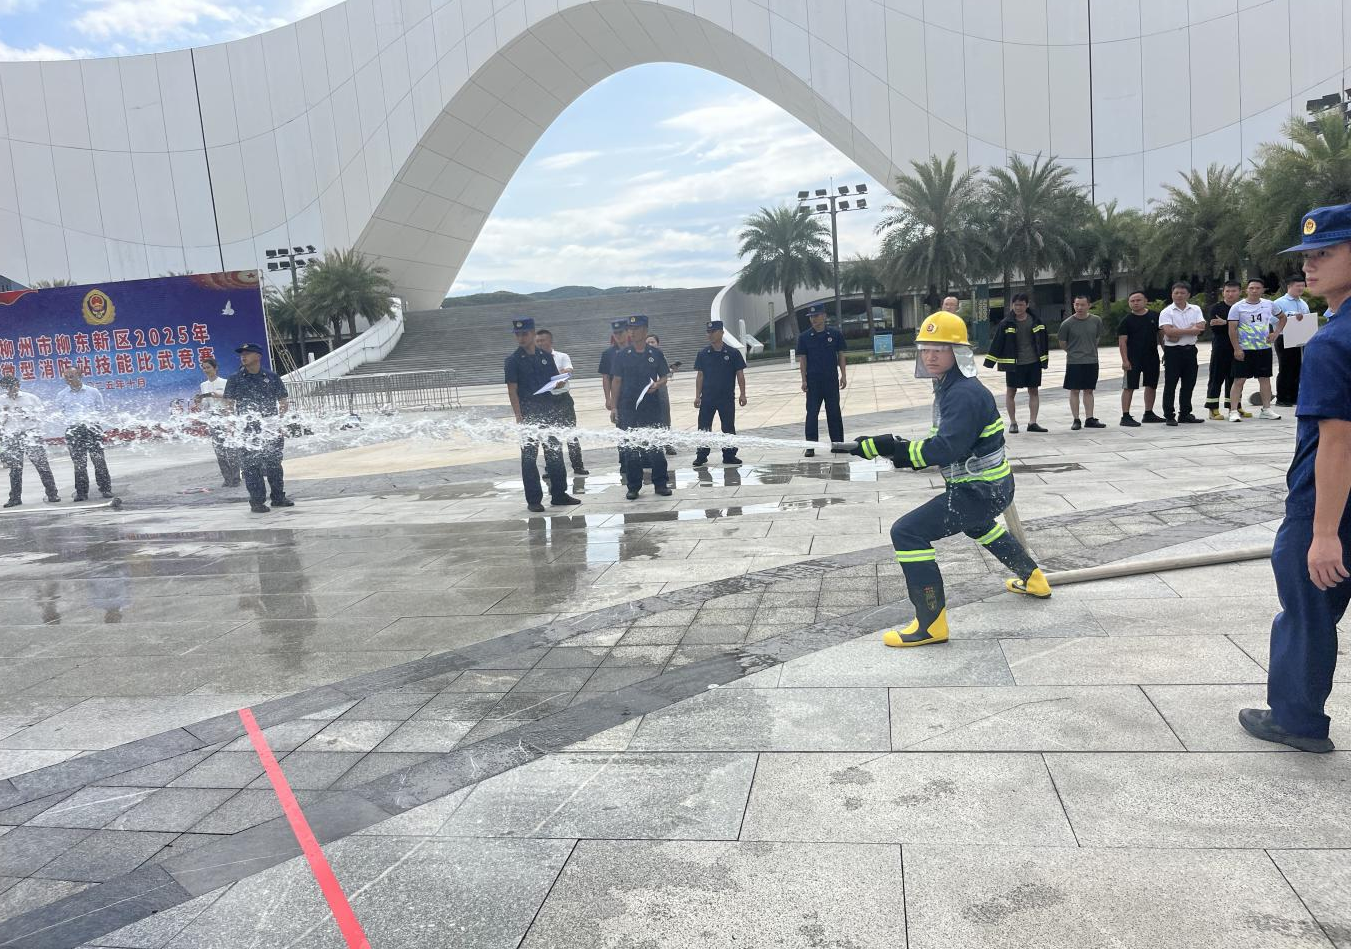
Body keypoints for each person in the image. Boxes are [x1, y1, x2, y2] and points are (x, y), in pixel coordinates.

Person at [840, 312, 1049, 646]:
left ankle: (931, 624)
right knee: (978, 525)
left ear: (959, 352)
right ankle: (1034, 579)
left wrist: (892, 449)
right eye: (925, 349)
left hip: (979, 491)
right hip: (992, 488)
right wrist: (885, 447)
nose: (930, 356)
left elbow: (944, 449)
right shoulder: (952, 387)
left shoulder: (962, 393)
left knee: (907, 532)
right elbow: (947, 441)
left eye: (940, 349)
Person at [1240, 202, 1351, 754]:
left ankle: (1295, 719)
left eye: (1325, 252)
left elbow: (1337, 440)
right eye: (1307, 254)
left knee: (1306, 612)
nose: (1310, 265)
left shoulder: (1333, 342)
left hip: (1325, 504)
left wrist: (1323, 532)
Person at [504, 318, 579, 512]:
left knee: (554, 453)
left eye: (525, 334)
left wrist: (559, 382)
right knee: (529, 457)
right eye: (518, 334)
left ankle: (559, 494)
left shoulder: (545, 356)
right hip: (528, 414)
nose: (521, 338)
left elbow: (553, 381)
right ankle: (534, 499)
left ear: (532, 333)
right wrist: (518, 415)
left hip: (549, 411)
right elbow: (512, 390)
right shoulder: (513, 360)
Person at [224, 342, 294, 514]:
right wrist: (230, 424)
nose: (243, 356)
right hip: (247, 429)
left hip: (270, 427)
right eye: (242, 354)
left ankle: (278, 497)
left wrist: (279, 422)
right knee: (251, 466)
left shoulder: (271, 377)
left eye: (247, 353)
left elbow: (283, 401)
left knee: (274, 464)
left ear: (258, 356)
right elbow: (228, 404)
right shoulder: (235, 379)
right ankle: (257, 501)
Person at [610, 314, 672, 499]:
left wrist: (657, 385)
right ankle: (633, 486)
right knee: (631, 449)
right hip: (628, 407)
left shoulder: (655, 354)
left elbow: (664, 377)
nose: (632, 332)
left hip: (651, 406)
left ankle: (660, 484)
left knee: (655, 446)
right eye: (630, 329)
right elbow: (616, 381)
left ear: (645, 330)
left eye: (636, 329)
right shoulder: (622, 355)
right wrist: (614, 406)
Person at [984, 292, 1048, 433]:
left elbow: (1044, 342)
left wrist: (1044, 360)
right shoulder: (1006, 323)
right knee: (1011, 392)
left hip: (1033, 362)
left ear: (1027, 305)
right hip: (1013, 364)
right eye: (1016, 305)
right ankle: (1013, 423)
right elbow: (997, 342)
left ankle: (1032, 422)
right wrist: (990, 362)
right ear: (1012, 305)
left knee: (1034, 391)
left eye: (1021, 305)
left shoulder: (1036, 321)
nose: (1018, 307)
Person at [1227, 278, 1286, 421]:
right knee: (1239, 380)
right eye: (1251, 288)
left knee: (1265, 379)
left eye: (1258, 288)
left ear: (1263, 290)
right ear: (1246, 290)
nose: (1254, 291)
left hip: (1263, 348)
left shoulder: (1269, 304)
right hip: (1245, 348)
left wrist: (1276, 333)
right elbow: (1232, 329)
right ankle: (1233, 410)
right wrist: (1237, 349)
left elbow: (1282, 318)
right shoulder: (1237, 307)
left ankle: (1266, 409)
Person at [53, 366, 114, 502]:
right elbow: (61, 413)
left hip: (92, 429)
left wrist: (92, 424)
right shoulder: (61, 395)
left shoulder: (93, 392)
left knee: (99, 461)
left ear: (80, 375)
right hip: (74, 431)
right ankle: (81, 492)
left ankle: (105, 489)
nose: (69, 379)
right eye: (66, 377)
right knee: (79, 464)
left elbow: (100, 410)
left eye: (71, 375)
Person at [692, 320, 747, 468]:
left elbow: (740, 374)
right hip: (708, 398)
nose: (710, 335)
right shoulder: (703, 354)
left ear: (722, 333)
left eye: (713, 332)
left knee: (728, 427)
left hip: (726, 397)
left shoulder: (733, 353)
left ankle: (729, 455)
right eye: (708, 332)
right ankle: (701, 455)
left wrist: (743, 394)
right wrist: (697, 396)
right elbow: (700, 376)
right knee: (704, 428)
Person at [534, 328, 588, 475]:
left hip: (563, 399)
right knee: (548, 435)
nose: (539, 343)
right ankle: (551, 467)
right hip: (545, 401)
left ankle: (578, 466)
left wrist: (554, 376)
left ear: (550, 341)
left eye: (542, 340)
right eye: (537, 341)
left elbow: (568, 371)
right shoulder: (533, 360)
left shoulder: (562, 356)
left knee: (570, 432)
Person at [1, 375, 59, 507]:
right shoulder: (1, 400)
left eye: (14, 386)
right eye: (8, 387)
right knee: (15, 469)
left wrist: (27, 414)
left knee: (42, 465)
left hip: (31, 434)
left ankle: (52, 493)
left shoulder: (31, 398)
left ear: (18, 385)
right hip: (12, 436)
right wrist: (4, 415)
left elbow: (41, 416)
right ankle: (15, 498)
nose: (12, 390)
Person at [797, 303, 847, 456]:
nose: (814, 319)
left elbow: (841, 356)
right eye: (811, 316)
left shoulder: (835, 334)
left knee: (834, 412)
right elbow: (803, 360)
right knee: (812, 413)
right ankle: (811, 446)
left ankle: (838, 444)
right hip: (813, 382)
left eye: (816, 315)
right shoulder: (804, 337)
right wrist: (803, 380)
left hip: (830, 380)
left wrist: (843, 375)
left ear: (824, 316)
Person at [1157, 282, 1206, 426]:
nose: (1179, 295)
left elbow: (1201, 327)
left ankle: (1185, 414)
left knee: (1189, 383)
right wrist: (1191, 330)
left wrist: (1178, 331)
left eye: (1182, 293)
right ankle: (1169, 415)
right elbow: (1168, 331)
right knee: (1170, 384)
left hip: (1190, 350)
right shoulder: (1167, 312)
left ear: (1188, 295)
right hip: (1173, 352)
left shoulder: (1195, 309)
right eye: (1176, 293)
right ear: (1172, 294)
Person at [1118, 291, 1164, 426]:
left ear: (1145, 301)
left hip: (1151, 356)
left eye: (1138, 300)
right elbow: (1122, 342)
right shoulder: (1126, 321)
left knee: (1151, 385)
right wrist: (1125, 360)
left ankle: (1148, 413)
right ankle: (1125, 416)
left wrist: (1166, 352)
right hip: (1133, 358)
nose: (1135, 303)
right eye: (1132, 301)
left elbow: (1161, 336)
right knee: (1129, 386)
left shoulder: (1155, 316)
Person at [1060, 294, 1105, 430]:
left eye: (1082, 305)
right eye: (1077, 304)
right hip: (1074, 362)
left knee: (1089, 390)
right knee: (1074, 390)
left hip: (1091, 360)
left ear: (1089, 305)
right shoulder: (1067, 324)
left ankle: (1089, 418)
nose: (1079, 307)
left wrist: (1089, 350)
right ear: (1073, 305)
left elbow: (1097, 338)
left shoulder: (1096, 320)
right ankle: (1076, 419)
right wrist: (1074, 352)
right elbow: (1062, 343)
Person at [194, 357, 240, 487]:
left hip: (226, 416)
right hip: (213, 418)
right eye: (204, 368)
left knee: (231, 449)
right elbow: (205, 406)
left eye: (208, 367)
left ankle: (236, 478)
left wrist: (217, 395)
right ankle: (227, 478)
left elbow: (231, 398)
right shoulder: (203, 385)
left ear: (215, 368)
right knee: (219, 450)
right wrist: (199, 401)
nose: (206, 370)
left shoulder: (225, 382)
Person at [1204, 280, 1245, 420]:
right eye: (1227, 291)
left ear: (1240, 292)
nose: (1230, 294)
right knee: (1216, 377)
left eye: (1233, 291)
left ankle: (1234, 406)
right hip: (1221, 347)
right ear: (1223, 293)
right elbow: (1216, 328)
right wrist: (1233, 325)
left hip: (1239, 347)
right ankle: (1212, 408)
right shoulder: (1216, 308)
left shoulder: (1243, 307)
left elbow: (1247, 326)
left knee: (1236, 378)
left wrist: (1226, 323)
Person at [1272, 276, 1312, 407]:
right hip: (1284, 337)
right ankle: (1282, 398)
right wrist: (1290, 314)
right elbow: (1272, 320)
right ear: (1289, 286)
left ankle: (1293, 397)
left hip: (1299, 339)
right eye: (1297, 286)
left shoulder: (1303, 303)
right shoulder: (1279, 302)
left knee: (1297, 368)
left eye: (1302, 286)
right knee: (1285, 368)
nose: (1301, 288)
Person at [598, 318, 629, 473]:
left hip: (637, 396)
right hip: (619, 398)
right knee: (621, 430)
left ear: (627, 332)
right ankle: (624, 461)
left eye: (621, 332)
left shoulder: (636, 349)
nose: (618, 335)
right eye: (615, 333)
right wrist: (608, 398)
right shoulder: (608, 354)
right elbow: (606, 377)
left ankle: (642, 459)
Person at [647, 333, 678, 456]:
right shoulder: (640, 357)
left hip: (660, 389)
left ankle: (668, 444)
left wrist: (671, 370)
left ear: (658, 344)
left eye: (652, 342)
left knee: (665, 417)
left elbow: (665, 374)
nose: (650, 344)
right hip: (647, 391)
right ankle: (652, 445)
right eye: (648, 342)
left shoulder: (660, 356)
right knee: (648, 419)